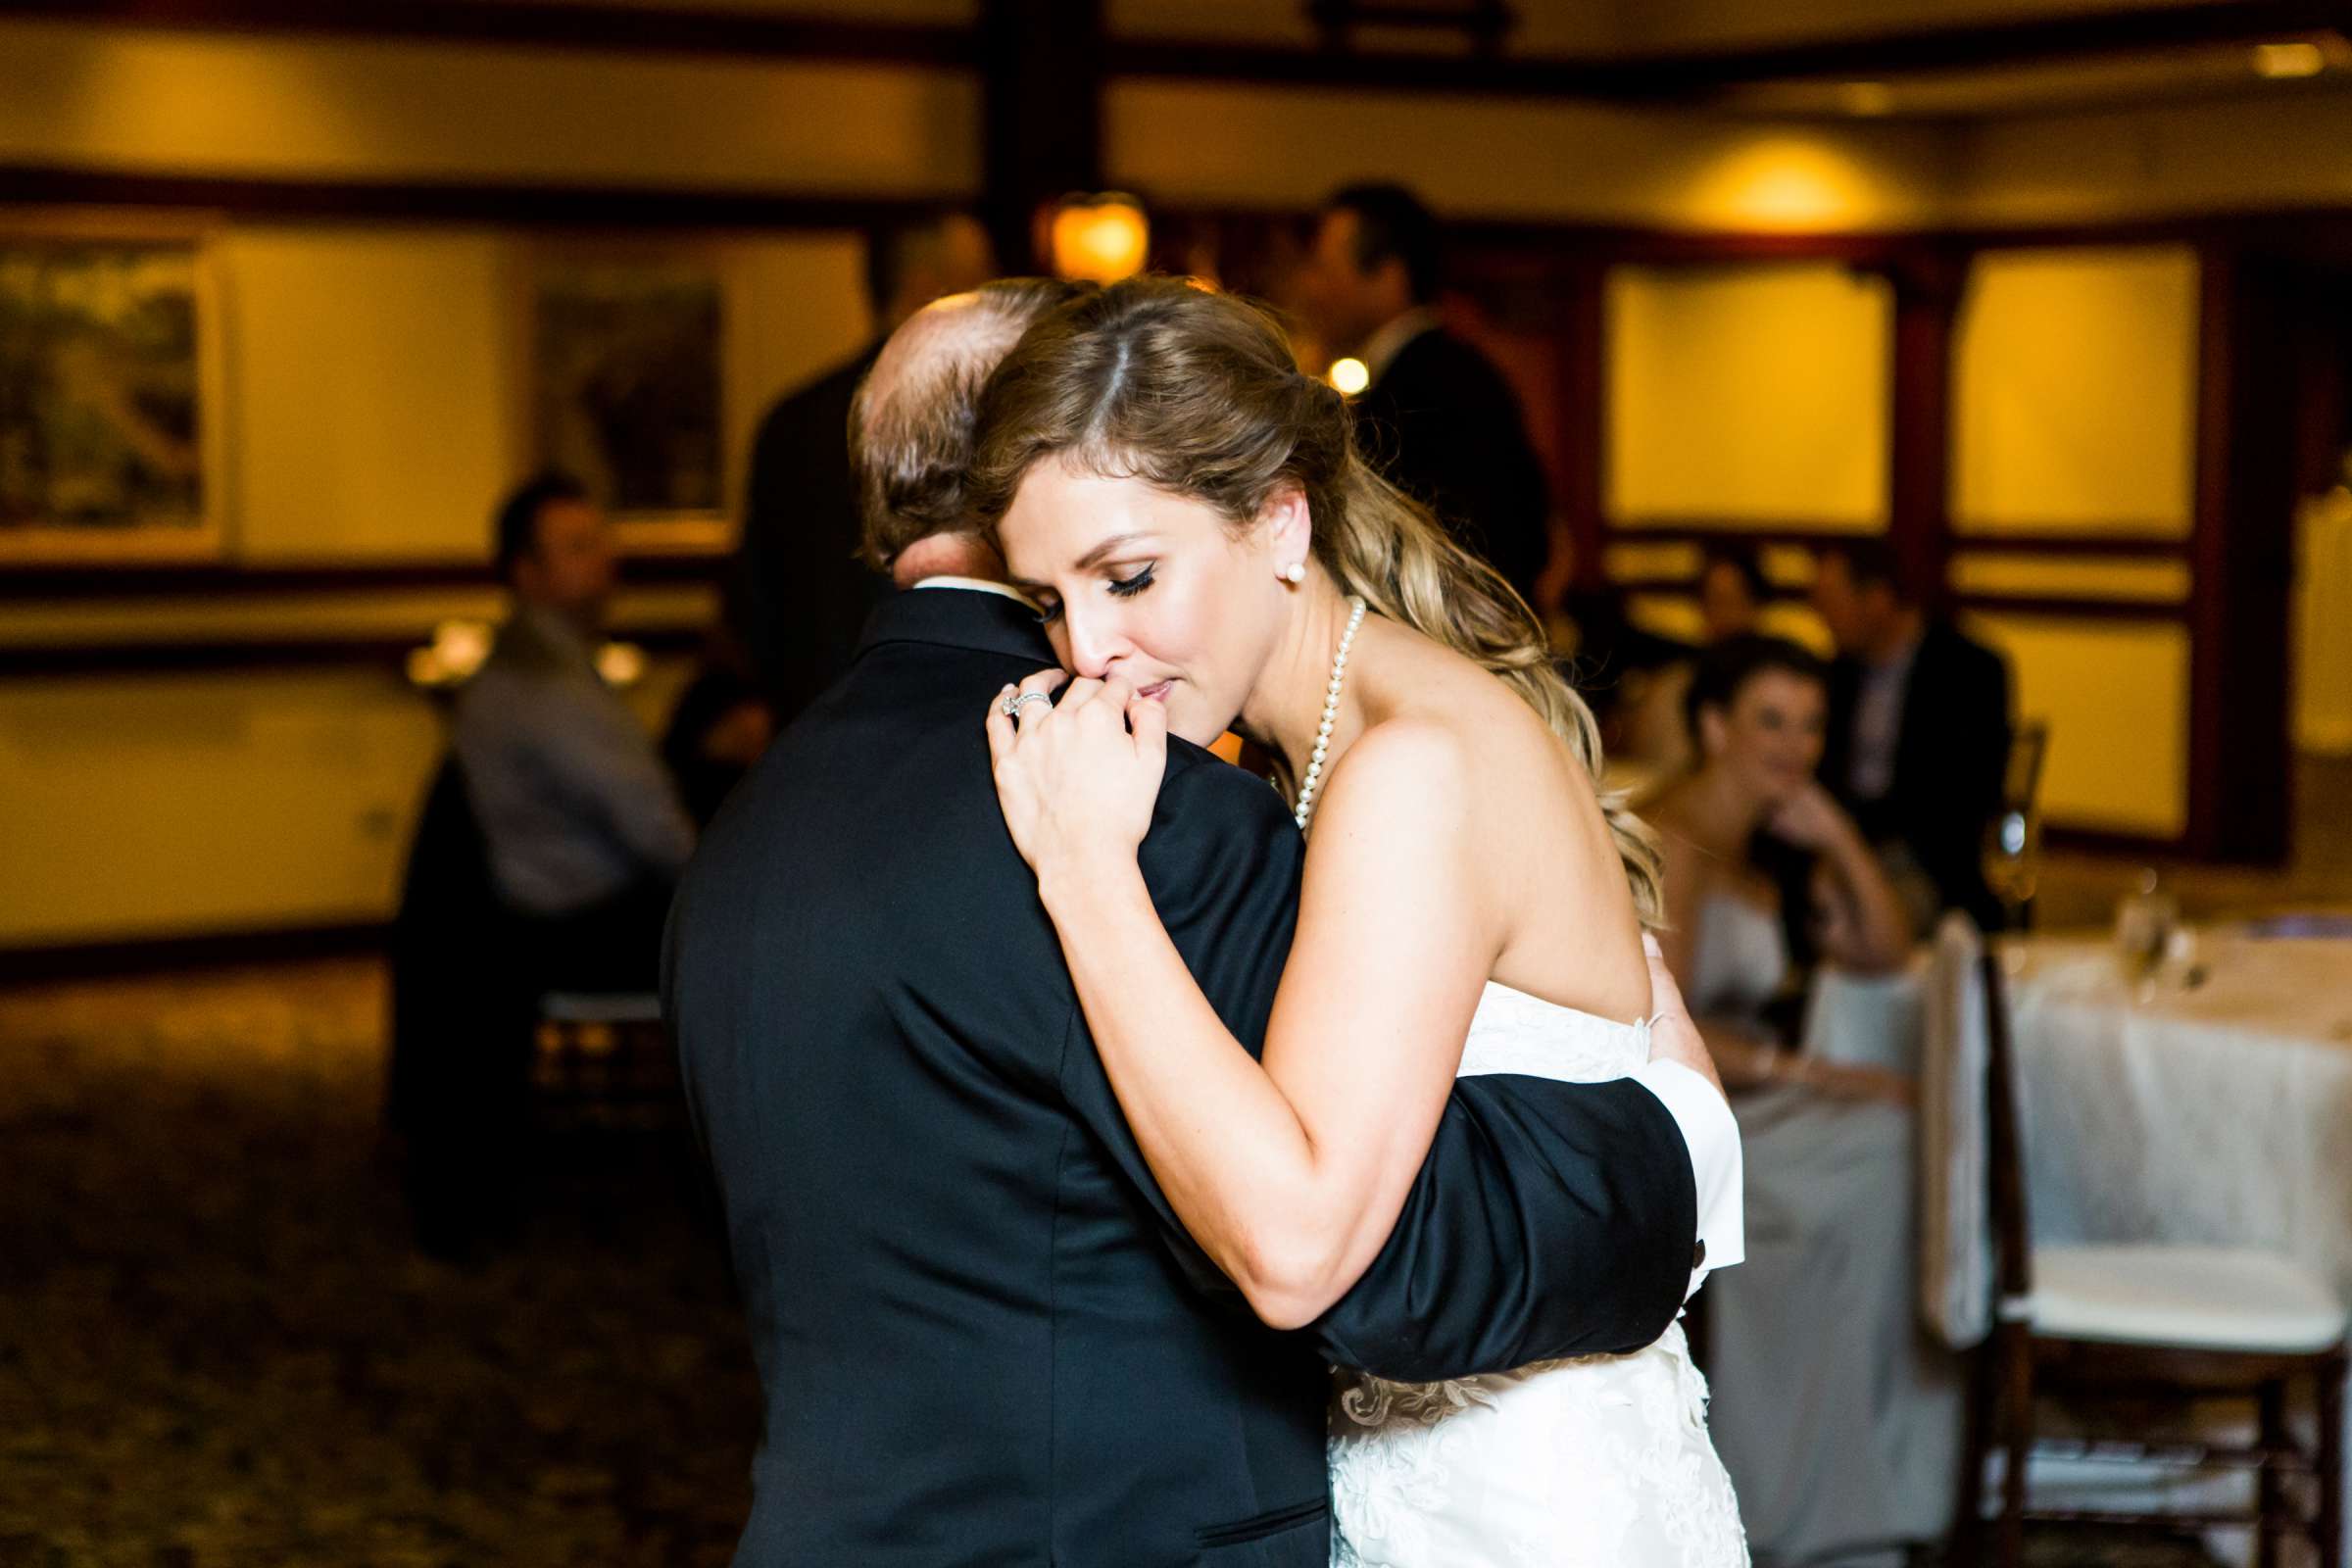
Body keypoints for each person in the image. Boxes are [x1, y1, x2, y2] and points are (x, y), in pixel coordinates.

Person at [663, 278, 1740, 1567]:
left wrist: (1088, 873)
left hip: (1515, 1510)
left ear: (1281, 520)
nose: (1092, 648)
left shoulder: (1401, 767)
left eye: (1130, 577)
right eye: (1054, 601)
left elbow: (1298, 1257)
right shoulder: (1297, 757)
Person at [1647, 634, 1960, 1567]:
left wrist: (1838, 838)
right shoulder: (1678, 837)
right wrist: (1827, 1077)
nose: (1793, 745)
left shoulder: (1773, 840)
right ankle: (1800, 1500)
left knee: (1909, 1146)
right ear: (1713, 727)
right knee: (1894, 1148)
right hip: (1689, 1117)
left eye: (1813, 724)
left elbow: (1886, 954)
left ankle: (1877, 1476)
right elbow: (1668, 1034)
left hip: (1755, 1101)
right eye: (1769, 721)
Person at [725, 211, 996, 719]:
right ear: (928, 289)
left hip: (808, 719)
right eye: (979, 285)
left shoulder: (790, 418)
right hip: (933, 715)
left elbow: (750, 600)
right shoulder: (966, 417)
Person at [453, 471, 694, 993]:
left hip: (548, 923)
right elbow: (656, 832)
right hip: (581, 931)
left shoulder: (524, 668)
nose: (606, 562)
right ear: (527, 572)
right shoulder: (542, 687)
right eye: (580, 548)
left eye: (602, 543)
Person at [1296, 182, 1553, 612]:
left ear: (1388, 276)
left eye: (1325, 269)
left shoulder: (1430, 384)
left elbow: (1487, 536)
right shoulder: (1445, 370)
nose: (1314, 289)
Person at [1811, 539, 2012, 932]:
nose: (1823, 617)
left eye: (1833, 601)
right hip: (1837, 847)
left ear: (1877, 599)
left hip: (1926, 855)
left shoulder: (1967, 670)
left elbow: (1970, 789)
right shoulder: (1836, 674)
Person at [1620, 541, 1774, 773]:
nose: (1723, 614)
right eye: (1713, 601)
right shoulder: (1672, 689)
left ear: (1755, 606)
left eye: (1733, 601)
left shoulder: (1777, 689)